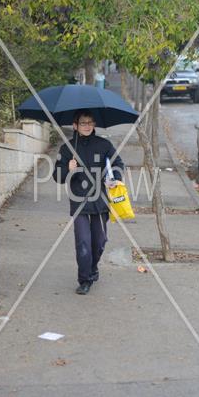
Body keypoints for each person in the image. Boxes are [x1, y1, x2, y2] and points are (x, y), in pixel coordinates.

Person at [53, 109, 124, 295]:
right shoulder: (67, 149)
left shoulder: (104, 145)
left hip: (101, 202)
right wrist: (68, 169)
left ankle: (93, 267)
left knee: (99, 242)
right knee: (83, 243)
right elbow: (58, 177)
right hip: (80, 204)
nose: (87, 126)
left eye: (90, 123)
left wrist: (115, 177)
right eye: (83, 123)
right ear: (75, 125)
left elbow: (117, 164)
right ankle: (85, 279)